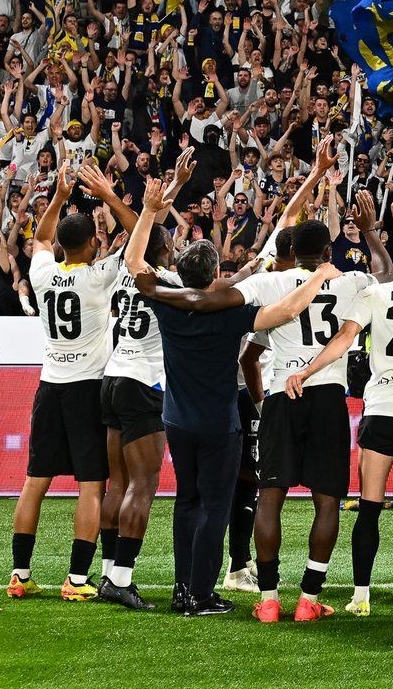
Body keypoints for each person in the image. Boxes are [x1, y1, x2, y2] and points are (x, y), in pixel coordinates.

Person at [126, 179, 344, 616]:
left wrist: (150, 210)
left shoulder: (165, 300)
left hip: (175, 419)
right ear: (214, 275)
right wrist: (319, 275)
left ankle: (182, 588)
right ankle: (202, 594)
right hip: (219, 423)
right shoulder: (230, 312)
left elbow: (134, 263)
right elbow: (285, 311)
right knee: (215, 506)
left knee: (186, 502)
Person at [234, 144, 377, 623]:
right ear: (330, 251)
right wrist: (369, 232)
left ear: (290, 250)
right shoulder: (352, 281)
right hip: (327, 395)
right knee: (327, 498)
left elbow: (245, 339)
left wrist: (315, 176)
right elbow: (382, 276)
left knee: (270, 495)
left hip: (280, 395)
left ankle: (270, 599)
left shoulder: (272, 283)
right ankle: (309, 599)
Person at [283, 231, 393, 617]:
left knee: (369, 507)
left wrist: (308, 368)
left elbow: (345, 336)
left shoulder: (376, 294)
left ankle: (360, 596)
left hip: (381, 407)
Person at [9, 164, 117, 602]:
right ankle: (75, 580)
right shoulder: (97, 276)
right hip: (87, 388)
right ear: (92, 243)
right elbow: (137, 245)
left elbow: (39, 239)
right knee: (91, 484)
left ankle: (19, 574)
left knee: (35, 479)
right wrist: (109, 198)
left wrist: (57, 195)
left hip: (48, 385)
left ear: (59, 247)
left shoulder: (41, 273)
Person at [85, 161, 172, 611]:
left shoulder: (123, 270)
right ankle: (122, 577)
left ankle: (105, 574)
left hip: (112, 377)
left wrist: (141, 208)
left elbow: (135, 234)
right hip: (141, 384)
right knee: (144, 483)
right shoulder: (165, 282)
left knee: (116, 482)